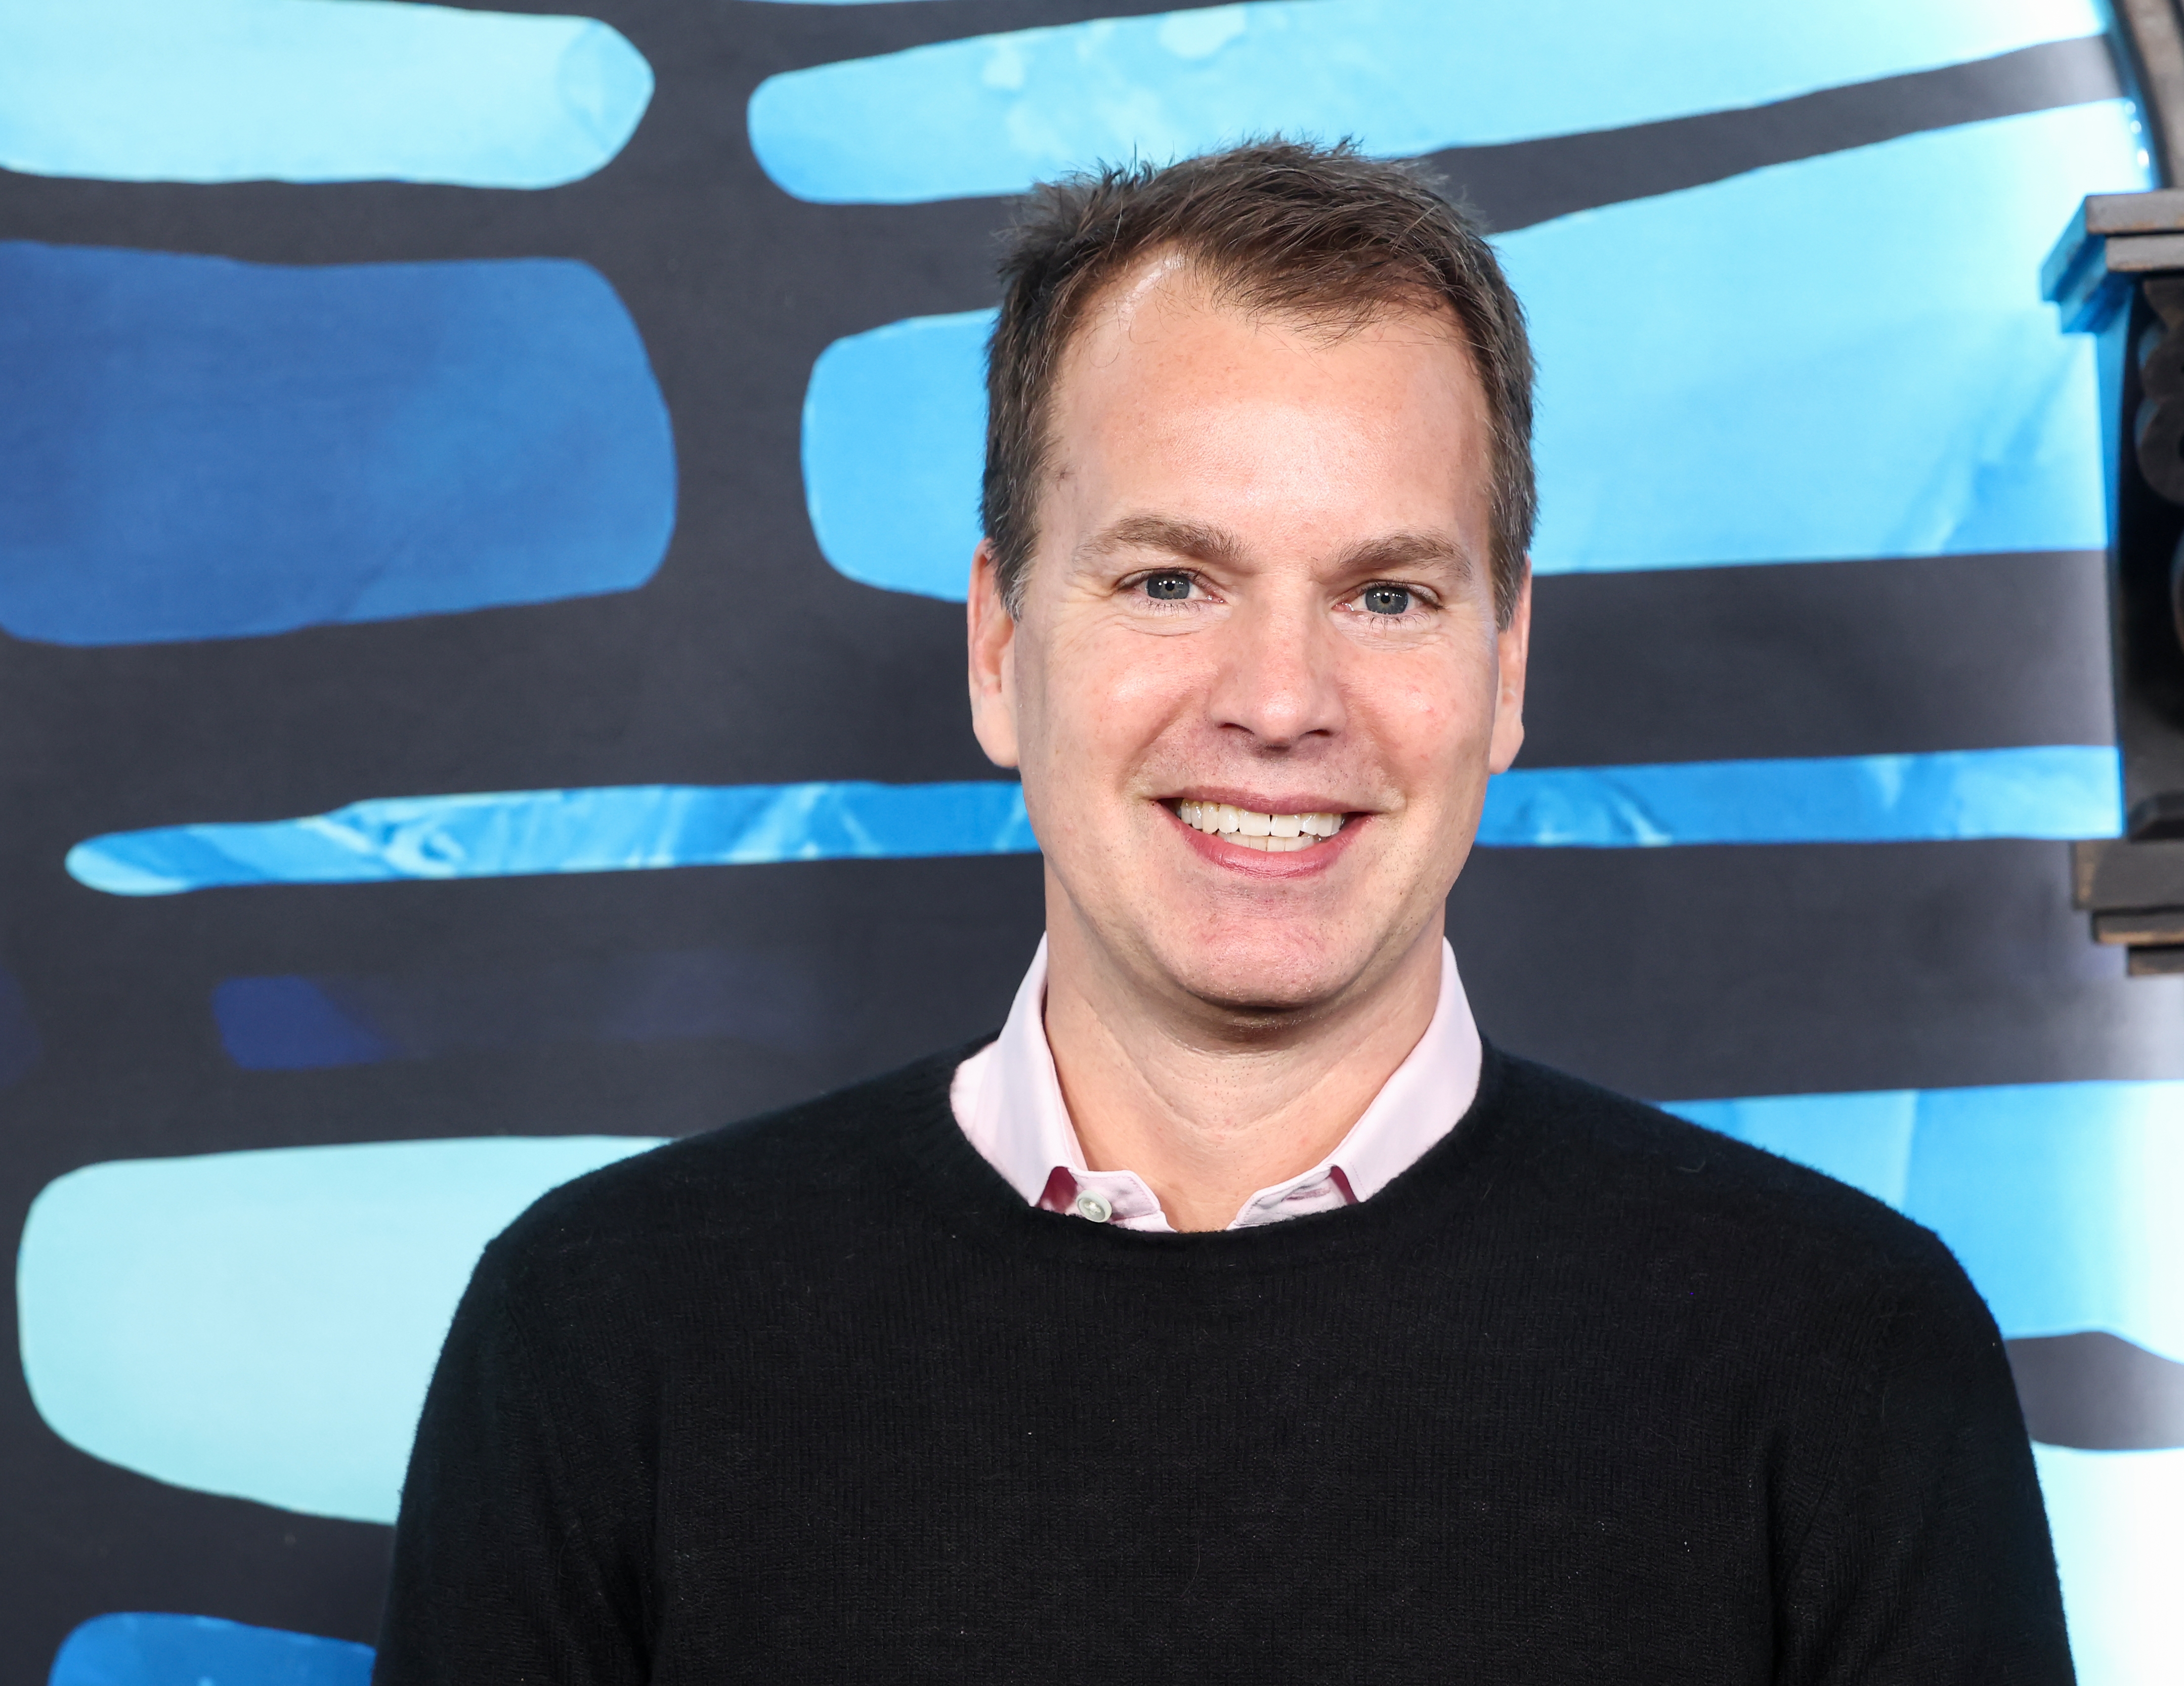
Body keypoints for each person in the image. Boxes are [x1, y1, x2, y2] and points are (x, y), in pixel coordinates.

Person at [374, 140, 2072, 1683]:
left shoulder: (1844, 1354)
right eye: (1171, 580)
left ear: (1504, 671)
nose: (1279, 701)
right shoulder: (601, 1334)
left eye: (1386, 594)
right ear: (999, 647)